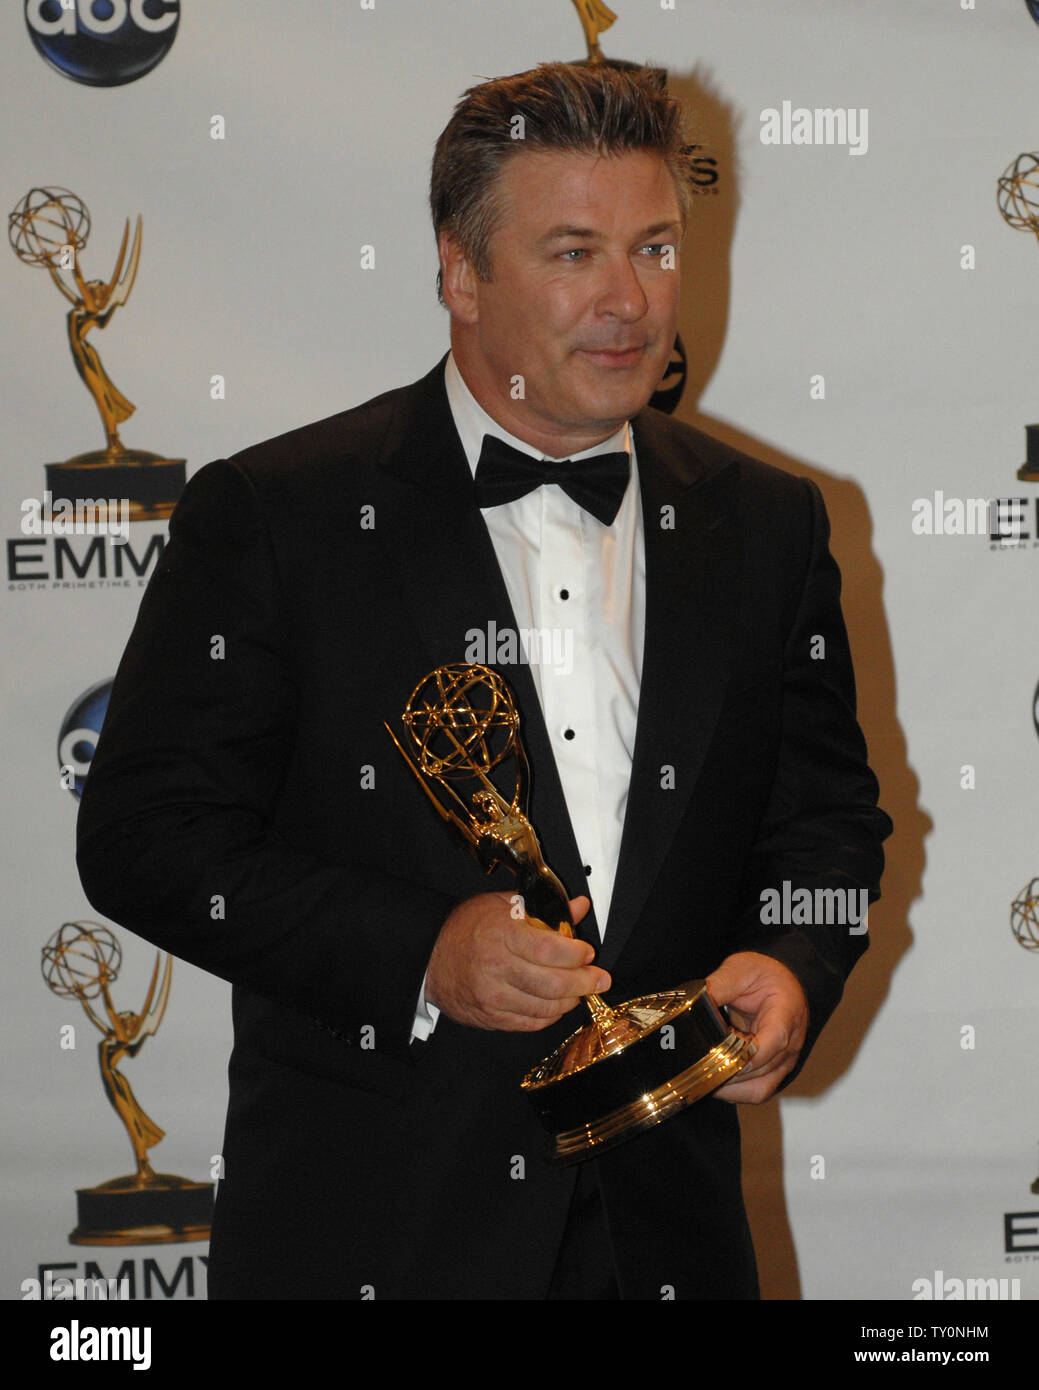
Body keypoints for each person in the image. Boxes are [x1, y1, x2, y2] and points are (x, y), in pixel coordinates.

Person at [77, 61, 891, 1300]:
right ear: (460, 270)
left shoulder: (765, 522)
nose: (631, 300)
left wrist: (792, 963)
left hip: (666, 1240)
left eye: (657, 248)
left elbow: (824, 819)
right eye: (574, 252)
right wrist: (422, 952)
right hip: (374, 1238)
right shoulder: (279, 515)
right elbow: (144, 837)